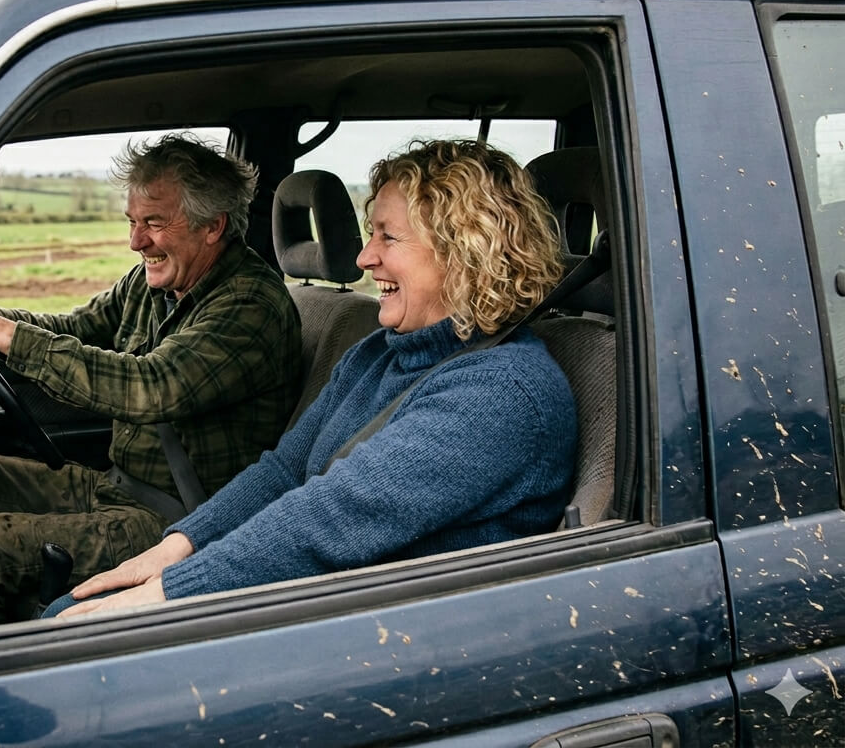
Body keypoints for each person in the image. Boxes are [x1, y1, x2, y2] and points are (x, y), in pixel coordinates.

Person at [49, 138, 577, 618]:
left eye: (388, 237)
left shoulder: (503, 395)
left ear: (466, 253)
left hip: (382, 630)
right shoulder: (379, 353)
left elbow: (329, 519)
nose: (365, 256)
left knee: (62, 627)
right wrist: (176, 547)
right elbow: (285, 471)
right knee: (65, 612)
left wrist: (165, 593)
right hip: (325, 598)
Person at [0, 133, 303, 628]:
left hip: (180, 521)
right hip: (116, 485)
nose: (136, 241)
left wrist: (0, 332)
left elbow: (153, 385)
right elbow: (75, 329)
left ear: (213, 226)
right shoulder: (153, 282)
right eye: (133, 222)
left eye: (154, 224)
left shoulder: (251, 305)